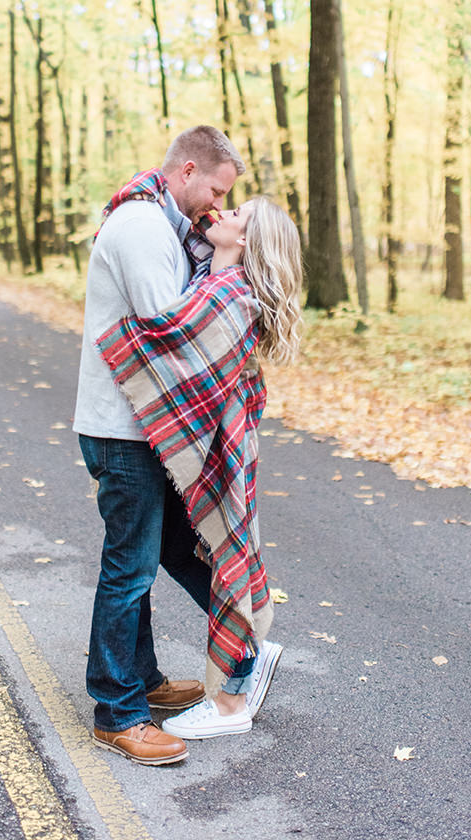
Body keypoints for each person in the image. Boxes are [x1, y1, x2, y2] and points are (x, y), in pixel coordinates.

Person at [97, 196, 302, 742]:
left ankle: (237, 679)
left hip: (219, 450)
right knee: (178, 551)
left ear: (244, 241)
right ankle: (246, 651)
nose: (225, 212)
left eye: (238, 214)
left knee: (208, 555)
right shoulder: (220, 281)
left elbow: (168, 341)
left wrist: (124, 335)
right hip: (214, 446)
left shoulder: (228, 293)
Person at [74, 125, 246, 766]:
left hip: (142, 424)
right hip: (124, 427)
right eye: (217, 190)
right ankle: (118, 711)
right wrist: (225, 267)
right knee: (130, 566)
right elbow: (169, 327)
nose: (218, 206)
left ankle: (140, 679)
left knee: (163, 549)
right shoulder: (144, 226)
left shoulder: (165, 224)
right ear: (188, 170)